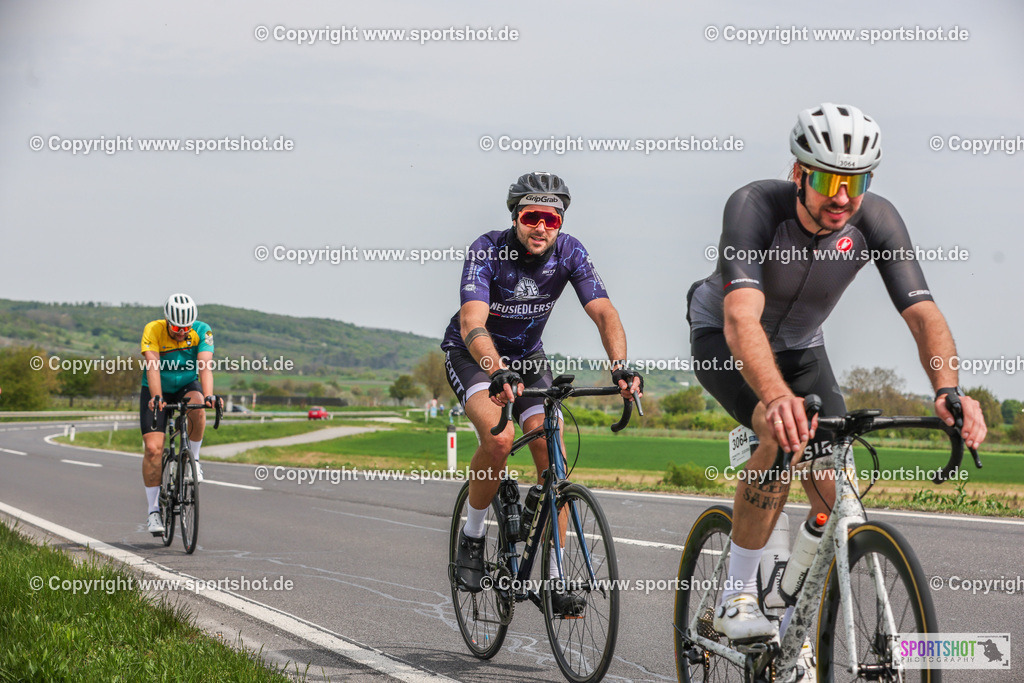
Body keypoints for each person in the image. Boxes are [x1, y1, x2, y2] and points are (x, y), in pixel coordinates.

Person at [686, 103, 987, 651]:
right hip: (725, 339)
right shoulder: (754, 205)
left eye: (857, 182)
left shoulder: (876, 219)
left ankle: (791, 598)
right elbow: (741, 318)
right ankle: (736, 595)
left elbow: (923, 314)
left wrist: (948, 389)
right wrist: (776, 398)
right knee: (781, 432)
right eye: (829, 180)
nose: (843, 197)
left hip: (802, 347)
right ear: (799, 172)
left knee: (836, 487)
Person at [441, 171, 642, 614]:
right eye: (533, 216)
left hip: (529, 360)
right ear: (516, 216)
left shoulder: (571, 251)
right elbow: (472, 321)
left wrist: (621, 364)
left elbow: (604, 311)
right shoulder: (487, 249)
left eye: (552, 219)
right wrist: (496, 370)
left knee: (555, 463)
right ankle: (473, 536)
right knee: (499, 439)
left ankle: (555, 577)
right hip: (476, 356)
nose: (542, 227)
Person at [139, 293, 220, 534]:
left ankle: (193, 459)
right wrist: (157, 397)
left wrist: (208, 396)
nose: (181, 332)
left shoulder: (202, 331)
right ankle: (154, 511)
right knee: (153, 449)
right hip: (157, 388)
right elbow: (152, 366)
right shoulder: (153, 329)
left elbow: (205, 366)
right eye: (175, 327)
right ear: (167, 321)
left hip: (186, 384)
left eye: (185, 327)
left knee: (199, 406)